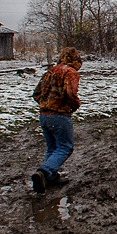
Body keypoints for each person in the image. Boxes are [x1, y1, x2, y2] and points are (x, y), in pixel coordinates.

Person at [31, 47, 82, 193]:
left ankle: (50, 177)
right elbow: (70, 93)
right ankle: (45, 171)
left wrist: (45, 105)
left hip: (44, 115)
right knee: (65, 147)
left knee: (53, 148)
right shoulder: (71, 72)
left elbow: (36, 93)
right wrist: (74, 105)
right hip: (60, 115)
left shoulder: (50, 71)